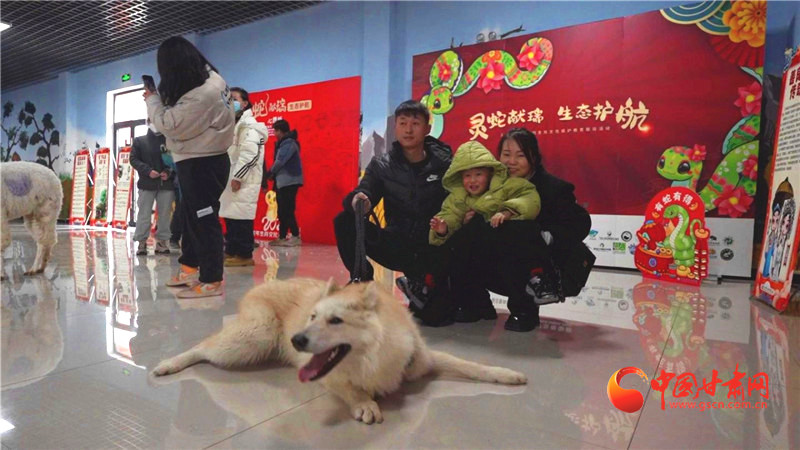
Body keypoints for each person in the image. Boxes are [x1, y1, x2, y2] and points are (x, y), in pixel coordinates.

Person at [333, 100, 453, 326]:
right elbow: (364, 190)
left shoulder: (445, 163)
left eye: (415, 123)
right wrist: (360, 200)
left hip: (434, 247)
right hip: (397, 243)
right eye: (403, 123)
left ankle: (423, 285)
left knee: (435, 318)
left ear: (427, 128)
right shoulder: (382, 165)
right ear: (395, 127)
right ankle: (361, 281)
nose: (408, 129)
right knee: (344, 220)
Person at [145, 36, 235, 299]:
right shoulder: (212, 79)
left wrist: (152, 100)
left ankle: (211, 279)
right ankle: (189, 268)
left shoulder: (202, 94)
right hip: (198, 160)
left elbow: (168, 124)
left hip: (202, 163)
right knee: (191, 217)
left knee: (204, 220)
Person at [428, 141, 541, 245]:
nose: (472, 180)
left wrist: (508, 212)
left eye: (478, 174)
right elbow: (450, 215)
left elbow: (529, 198)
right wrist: (443, 229)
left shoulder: (507, 185)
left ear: (490, 173)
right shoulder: (456, 199)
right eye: (467, 175)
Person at [219, 87, 269, 265]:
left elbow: (251, 154)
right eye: (228, 98)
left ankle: (244, 255)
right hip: (232, 177)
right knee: (231, 215)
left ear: (245, 103)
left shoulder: (250, 126)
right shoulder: (235, 125)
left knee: (241, 217)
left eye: (234, 99)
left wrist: (238, 177)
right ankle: (232, 250)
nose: (230, 102)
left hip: (244, 180)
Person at [129, 120, 175, 256]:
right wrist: (148, 171)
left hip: (166, 185)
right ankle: (142, 242)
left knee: (165, 215)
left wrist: (168, 172)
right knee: (144, 214)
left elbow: (174, 161)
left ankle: (162, 242)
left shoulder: (169, 142)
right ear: (148, 121)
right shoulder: (139, 141)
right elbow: (133, 159)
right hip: (146, 184)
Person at [266, 119, 303, 247]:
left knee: (287, 209)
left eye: (276, 131)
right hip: (282, 182)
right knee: (282, 210)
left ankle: (295, 235)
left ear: (281, 131)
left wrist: (270, 172)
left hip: (290, 182)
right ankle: (282, 236)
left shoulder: (289, 143)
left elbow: (280, 161)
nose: (275, 133)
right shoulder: (283, 143)